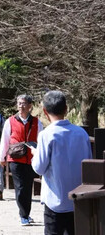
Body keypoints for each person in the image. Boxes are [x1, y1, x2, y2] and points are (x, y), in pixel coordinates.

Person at [32, 91, 92, 235]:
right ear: (66, 109)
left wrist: (35, 155)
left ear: (45, 111)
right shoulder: (81, 133)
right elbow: (88, 162)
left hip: (55, 199)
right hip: (78, 199)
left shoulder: (46, 134)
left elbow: (39, 168)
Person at [0, 94, 44, 226]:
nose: (20, 106)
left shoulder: (36, 122)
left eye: (23, 103)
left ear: (30, 106)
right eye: (18, 103)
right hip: (15, 158)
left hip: (31, 159)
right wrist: (2, 157)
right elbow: (5, 140)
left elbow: (41, 140)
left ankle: (26, 214)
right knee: (20, 186)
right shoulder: (10, 121)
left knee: (28, 186)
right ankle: (23, 215)